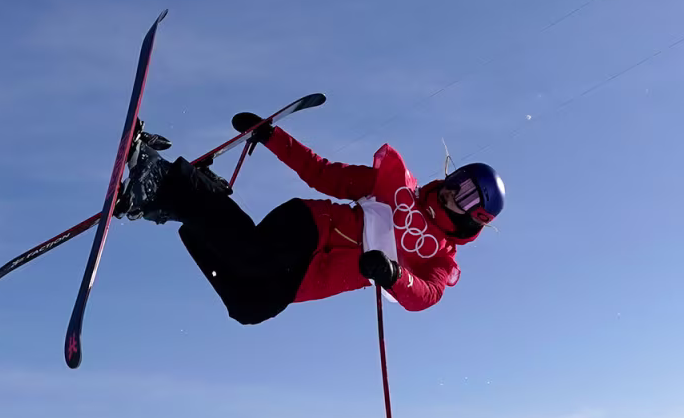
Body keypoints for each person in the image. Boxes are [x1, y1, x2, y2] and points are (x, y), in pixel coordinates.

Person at [114, 112, 505, 324]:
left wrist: (394, 275)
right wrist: (272, 137)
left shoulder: (440, 259)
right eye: (459, 178)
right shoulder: (395, 185)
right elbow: (324, 173)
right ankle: (165, 179)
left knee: (248, 307)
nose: (455, 190)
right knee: (254, 255)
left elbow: (425, 296)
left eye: (468, 194)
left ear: (477, 216)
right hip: (309, 227)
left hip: (310, 278)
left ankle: (192, 198)